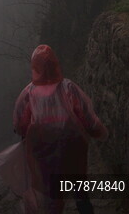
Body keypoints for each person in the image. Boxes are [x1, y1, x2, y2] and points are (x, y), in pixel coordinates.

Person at [12, 44, 108, 214]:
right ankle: (84, 208)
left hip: (43, 147)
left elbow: (20, 123)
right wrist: (97, 131)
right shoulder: (68, 87)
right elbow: (86, 114)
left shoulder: (28, 93)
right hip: (72, 143)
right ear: (56, 64)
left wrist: (25, 133)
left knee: (52, 189)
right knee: (79, 183)